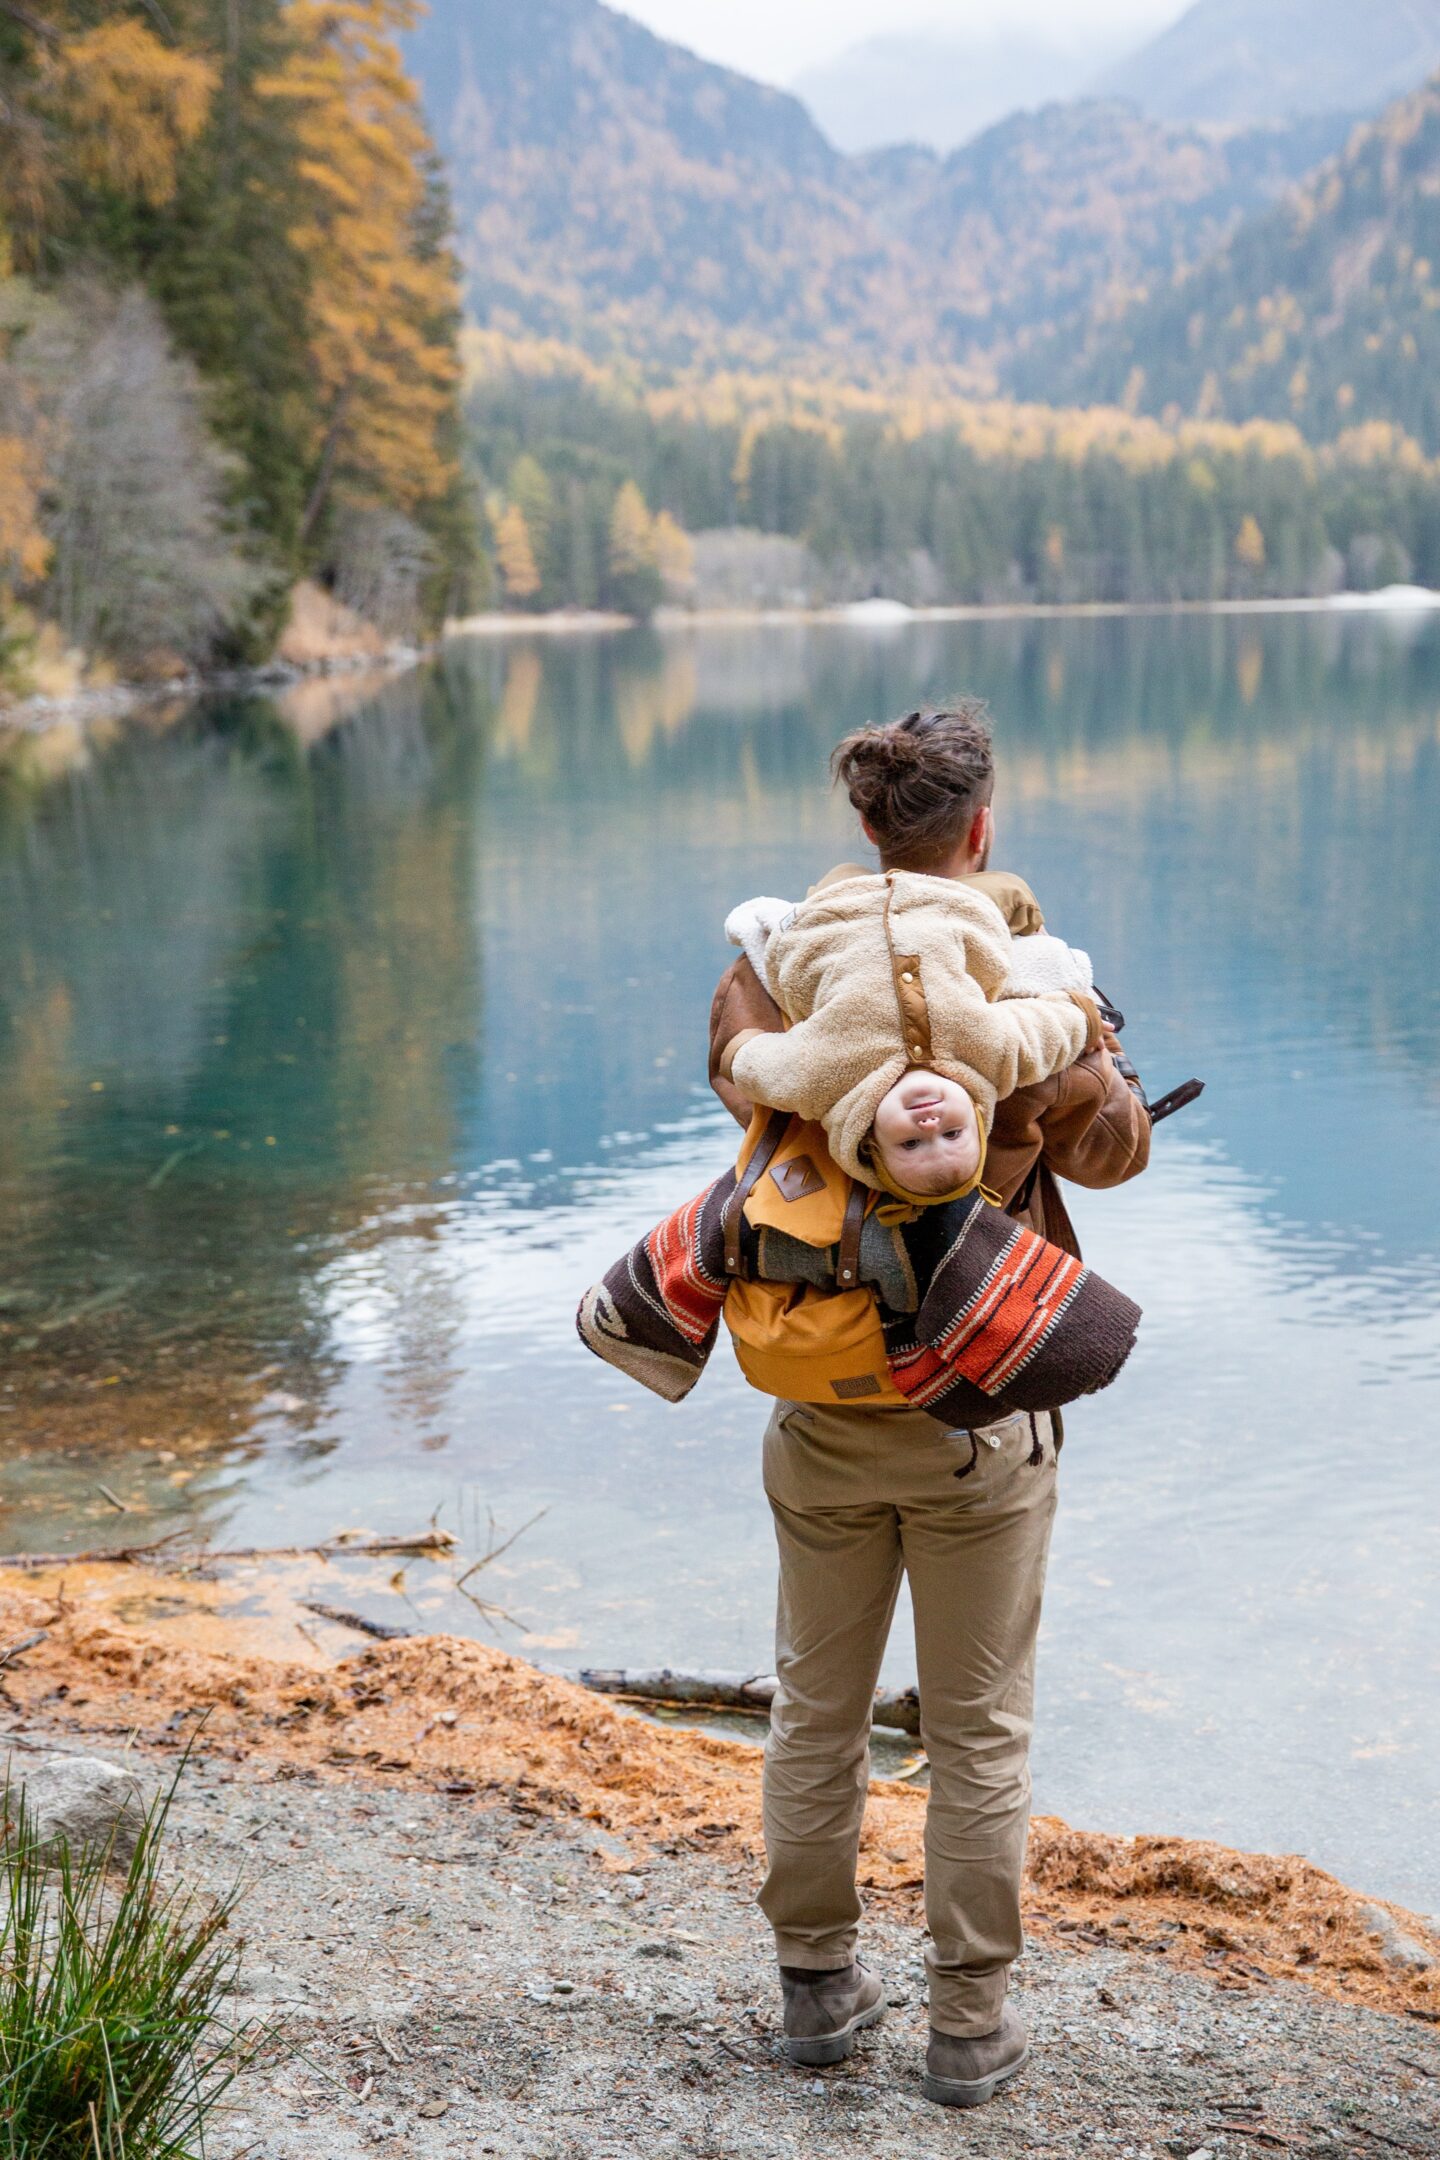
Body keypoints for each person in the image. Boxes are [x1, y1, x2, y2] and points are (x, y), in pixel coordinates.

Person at [706, 701, 1151, 2110]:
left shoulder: (790, 979)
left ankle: (817, 1996)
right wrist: (1094, 1046)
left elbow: (735, 1076)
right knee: (978, 1733)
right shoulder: (1020, 986)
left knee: (814, 1713)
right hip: (979, 1422)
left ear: (864, 829)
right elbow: (1117, 1150)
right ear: (982, 829)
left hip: (822, 1407)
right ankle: (968, 2031)